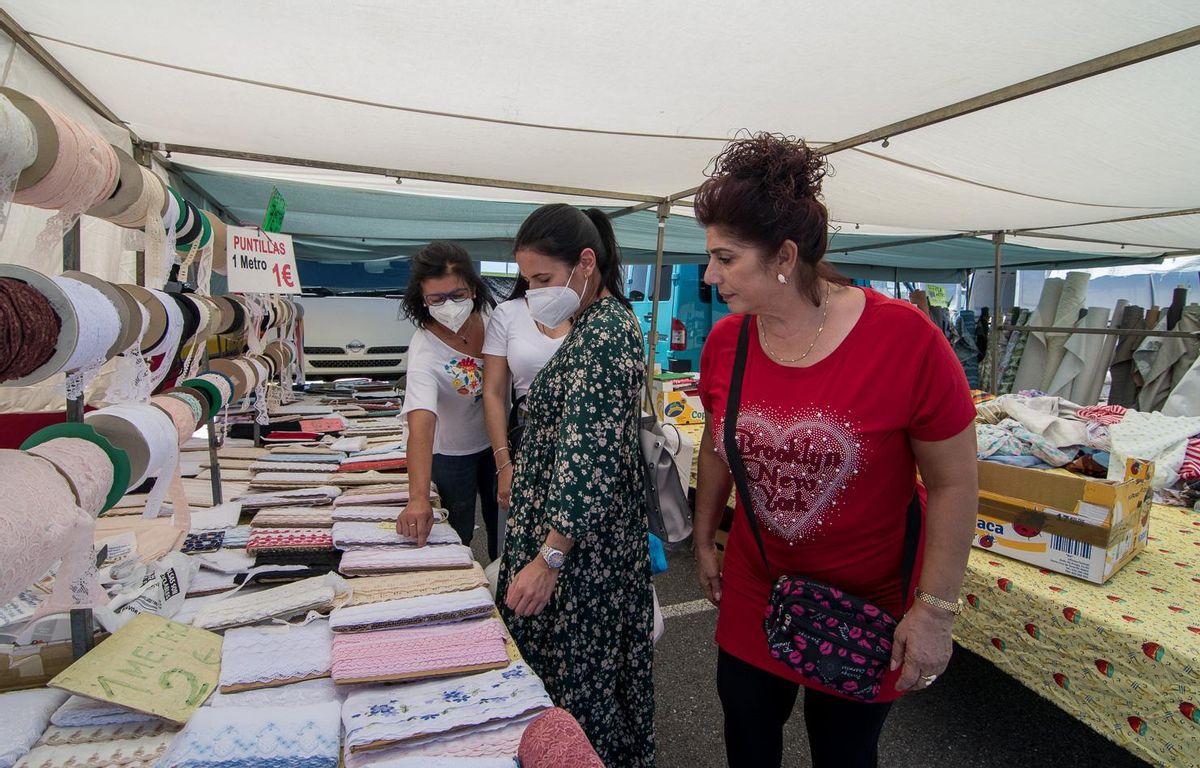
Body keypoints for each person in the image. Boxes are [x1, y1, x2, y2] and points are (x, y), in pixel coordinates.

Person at [692, 133, 978, 768]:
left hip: (867, 599)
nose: (709, 276)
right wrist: (705, 533)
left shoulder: (906, 339)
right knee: (746, 736)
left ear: (785, 257)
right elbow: (717, 446)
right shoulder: (726, 344)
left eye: (724, 258)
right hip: (755, 584)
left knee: (845, 753)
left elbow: (956, 482)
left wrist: (934, 614)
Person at [497, 203, 655, 767]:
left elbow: (588, 456)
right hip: (573, 547)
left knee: (579, 691)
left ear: (585, 262)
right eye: (527, 280)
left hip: (581, 560)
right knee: (572, 687)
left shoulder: (606, 334)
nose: (534, 292)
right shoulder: (590, 326)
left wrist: (549, 558)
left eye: (543, 279)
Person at [397, 242, 500, 558]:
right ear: (421, 298)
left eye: (458, 295)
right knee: (458, 532)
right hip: (450, 453)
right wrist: (417, 498)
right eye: (437, 299)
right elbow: (421, 423)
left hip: (497, 443)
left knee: (506, 525)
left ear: (472, 288)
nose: (450, 305)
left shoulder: (490, 315)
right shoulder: (425, 350)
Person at [482, 281, 570, 538]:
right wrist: (504, 465)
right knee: (525, 534)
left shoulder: (588, 311)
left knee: (573, 537)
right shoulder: (508, 313)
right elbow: (494, 393)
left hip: (579, 435)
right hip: (527, 436)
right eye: (535, 274)